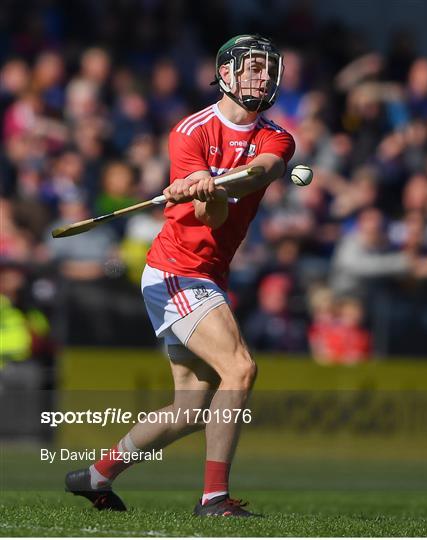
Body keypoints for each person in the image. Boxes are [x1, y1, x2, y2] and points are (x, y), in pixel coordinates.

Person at [65, 34, 295, 517]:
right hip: (178, 270)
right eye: (253, 68)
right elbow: (210, 219)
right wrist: (200, 190)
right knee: (240, 368)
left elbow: (263, 171)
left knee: (190, 407)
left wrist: (215, 183)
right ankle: (214, 499)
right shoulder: (189, 132)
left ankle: (95, 475)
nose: (264, 77)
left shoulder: (277, 137)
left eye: (268, 70)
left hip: (207, 272)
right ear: (226, 74)